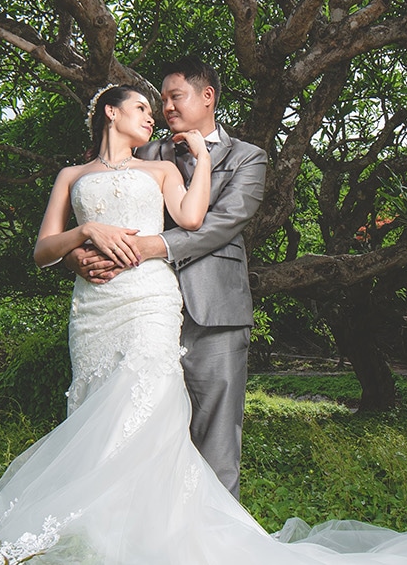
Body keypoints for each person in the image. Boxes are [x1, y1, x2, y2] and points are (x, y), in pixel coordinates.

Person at [0, 81, 407, 565]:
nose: (152, 115)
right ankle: (99, 525)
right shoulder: (72, 177)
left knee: (143, 398)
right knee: (93, 402)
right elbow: (42, 251)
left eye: (158, 105)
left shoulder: (163, 169)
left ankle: (67, 520)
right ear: (110, 114)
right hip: (93, 310)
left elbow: (193, 221)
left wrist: (196, 155)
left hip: (147, 298)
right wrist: (84, 233)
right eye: (141, 107)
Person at [65, 57, 263, 497]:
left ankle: (215, 541)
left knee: (216, 432)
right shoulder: (147, 153)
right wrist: (78, 254)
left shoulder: (248, 157)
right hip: (138, 308)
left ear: (207, 96)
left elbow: (223, 223)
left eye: (175, 97)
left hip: (214, 310)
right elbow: (98, 202)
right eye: (161, 100)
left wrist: (151, 247)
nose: (166, 108)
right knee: (138, 423)